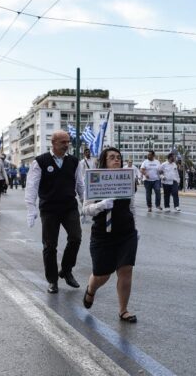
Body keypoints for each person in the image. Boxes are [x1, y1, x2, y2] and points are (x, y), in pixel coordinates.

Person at [80, 147, 139, 323]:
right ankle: (91, 289)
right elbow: (85, 209)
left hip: (126, 233)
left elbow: (132, 206)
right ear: (104, 162)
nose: (116, 160)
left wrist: (136, 228)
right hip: (103, 234)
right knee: (102, 275)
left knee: (126, 270)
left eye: (118, 157)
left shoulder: (127, 179)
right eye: (112, 157)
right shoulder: (94, 180)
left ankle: (123, 310)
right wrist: (101, 205)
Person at [25, 131, 84, 294]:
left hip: (69, 207)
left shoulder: (74, 162)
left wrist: (85, 204)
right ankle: (52, 280)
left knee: (76, 238)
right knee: (50, 245)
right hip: (49, 209)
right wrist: (31, 209)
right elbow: (32, 186)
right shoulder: (40, 162)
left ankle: (66, 270)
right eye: (63, 142)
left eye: (68, 142)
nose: (66, 145)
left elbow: (80, 184)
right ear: (53, 143)